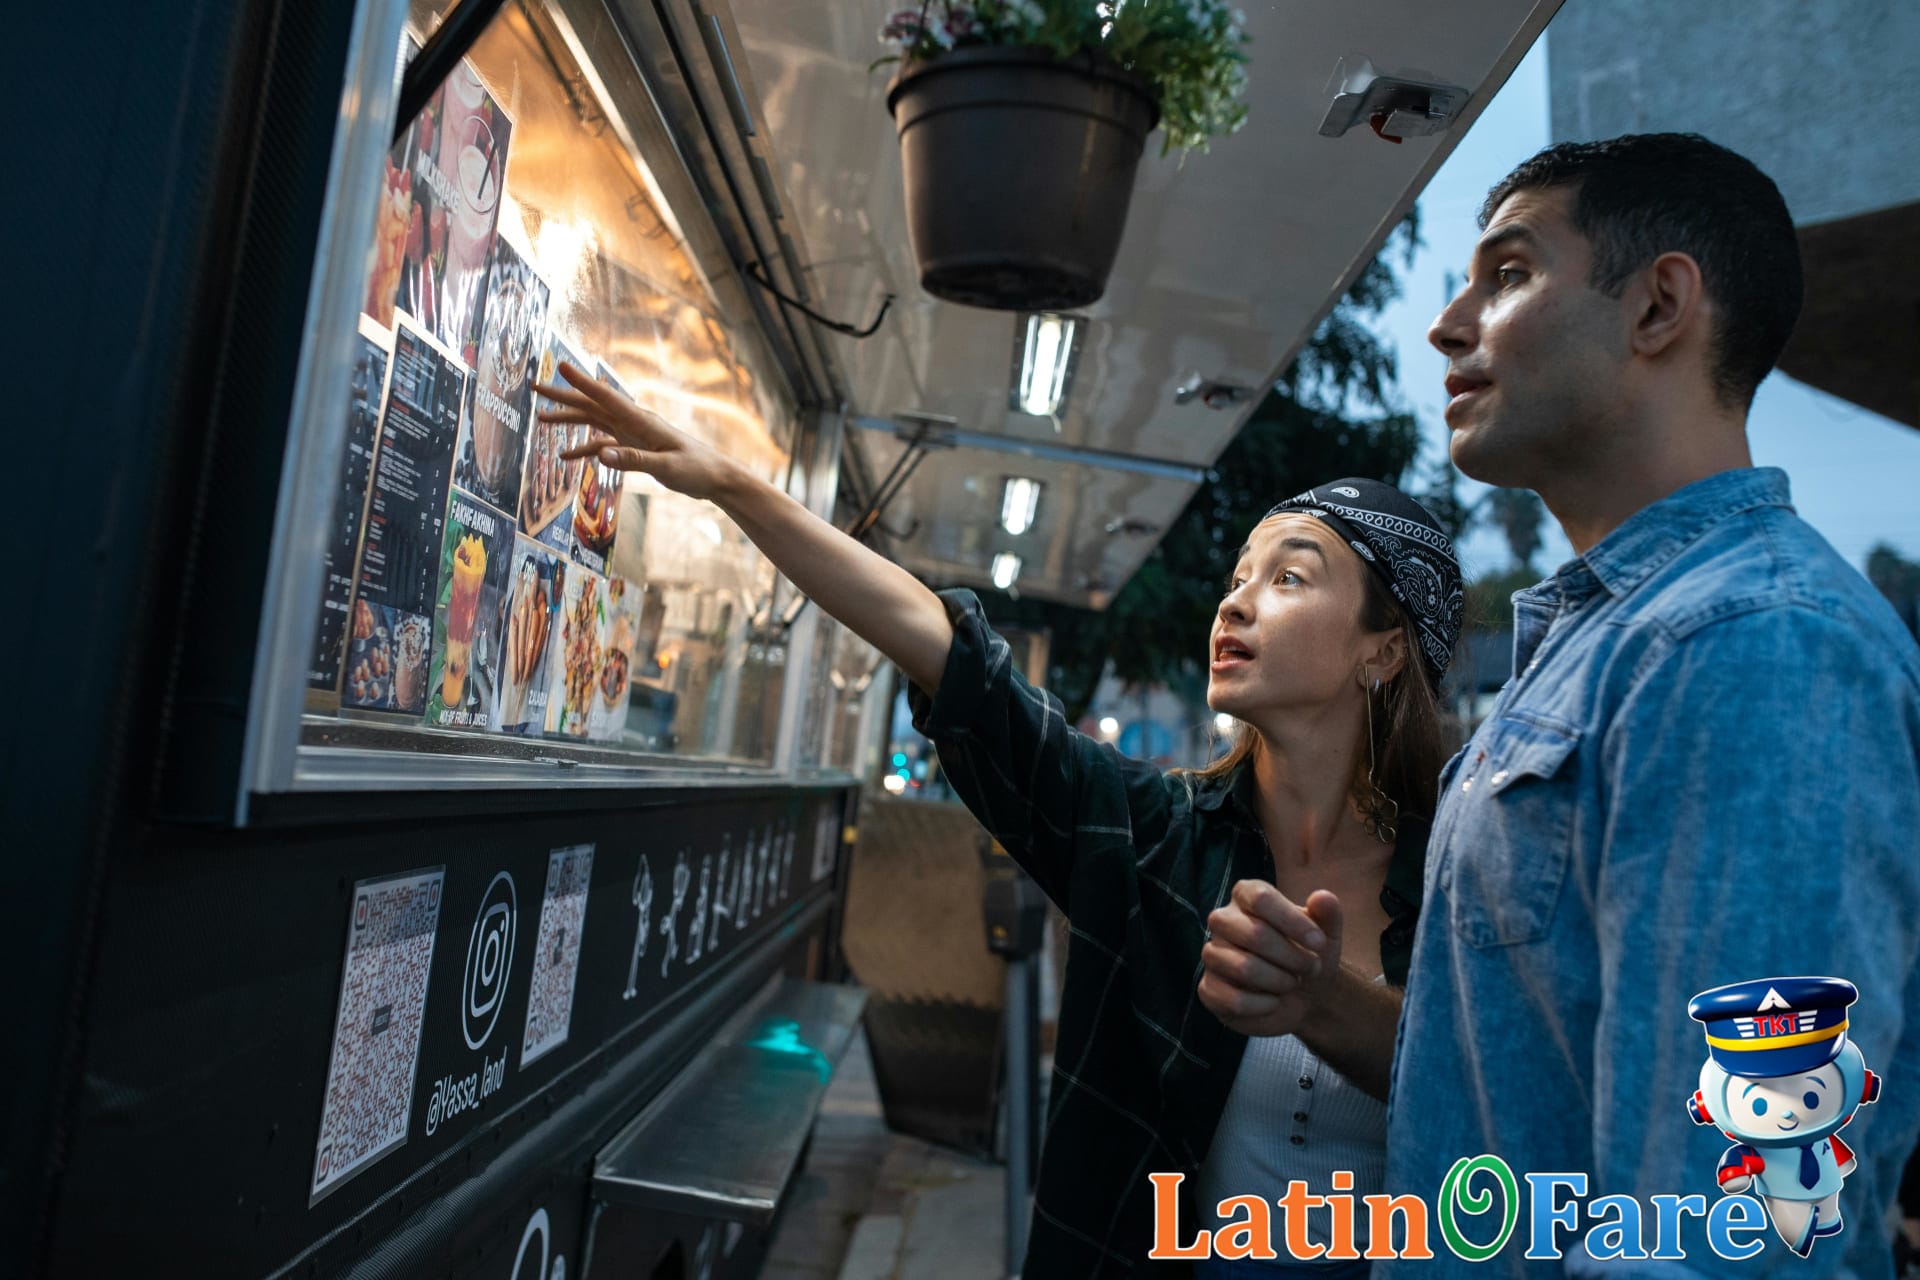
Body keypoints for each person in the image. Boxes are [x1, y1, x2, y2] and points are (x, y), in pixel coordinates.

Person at [532, 366, 1462, 1276]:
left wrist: (1327, 1005)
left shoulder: (1467, 882)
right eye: (1238, 575)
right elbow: (948, 652)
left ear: (1383, 652)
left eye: (1291, 579)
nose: (1236, 600)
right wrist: (732, 484)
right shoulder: (1156, 836)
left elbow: (1508, 1110)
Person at [1199, 133, 1920, 1275]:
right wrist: (1325, 1003)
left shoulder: (1753, 647)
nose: (1447, 324)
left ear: (1658, 306)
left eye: (1510, 273)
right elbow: (1524, 1091)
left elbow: (1735, 1223)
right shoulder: (1605, 643)